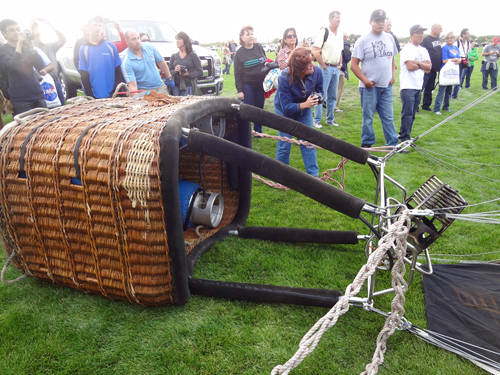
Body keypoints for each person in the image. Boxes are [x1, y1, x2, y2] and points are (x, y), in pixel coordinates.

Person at [350, 9, 399, 149]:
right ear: (370, 22)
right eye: (377, 21)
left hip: (386, 86)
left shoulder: (389, 37)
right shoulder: (363, 40)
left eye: (382, 21)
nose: (380, 23)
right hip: (369, 87)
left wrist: (393, 75)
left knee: (388, 117)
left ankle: (392, 144)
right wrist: (365, 81)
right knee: (368, 117)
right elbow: (353, 65)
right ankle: (367, 144)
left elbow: (392, 58)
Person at [274, 47, 322, 177]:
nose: (313, 64)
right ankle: (281, 176)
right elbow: (286, 107)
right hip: (284, 111)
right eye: (308, 63)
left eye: (312, 60)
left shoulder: (317, 71)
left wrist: (318, 98)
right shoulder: (284, 77)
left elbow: (320, 90)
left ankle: (314, 177)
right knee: (285, 142)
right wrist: (305, 104)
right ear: (299, 68)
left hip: (304, 111)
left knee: (308, 142)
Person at [0, 19, 47, 115]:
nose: (16, 32)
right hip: (20, 98)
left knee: (44, 126)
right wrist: (19, 44)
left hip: (37, 93)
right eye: (12, 30)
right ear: (4, 33)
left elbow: (40, 65)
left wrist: (31, 47)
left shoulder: (26, 47)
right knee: (27, 128)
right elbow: (13, 66)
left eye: (18, 29)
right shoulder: (3, 50)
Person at [398, 25, 431, 144]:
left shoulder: (423, 50)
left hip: (418, 85)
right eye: (418, 33)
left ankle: (407, 135)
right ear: (411, 35)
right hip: (408, 86)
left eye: (422, 33)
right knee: (407, 113)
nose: (421, 36)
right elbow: (410, 66)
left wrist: (417, 62)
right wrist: (421, 64)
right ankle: (403, 137)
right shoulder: (407, 49)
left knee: (412, 113)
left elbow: (429, 67)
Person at [79, 16, 123, 99]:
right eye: (94, 25)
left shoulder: (111, 47)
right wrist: (90, 95)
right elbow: (84, 75)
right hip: (94, 96)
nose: (97, 28)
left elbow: (118, 71)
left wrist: (115, 92)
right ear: (89, 27)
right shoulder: (84, 49)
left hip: (112, 95)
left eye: (99, 25)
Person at [312, 10, 343, 128]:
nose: (339, 20)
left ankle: (330, 119)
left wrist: (340, 63)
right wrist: (323, 65)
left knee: (332, 96)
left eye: (340, 18)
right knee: (320, 95)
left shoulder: (339, 33)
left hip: (336, 69)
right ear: (330, 20)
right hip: (325, 68)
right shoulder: (324, 32)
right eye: (337, 18)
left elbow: (339, 50)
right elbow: (315, 50)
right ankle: (317, 120)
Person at [234, 25, 268, 133]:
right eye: (247, 34)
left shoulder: (259, 47)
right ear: (242, 38)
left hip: (261, 84)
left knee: (259, 108)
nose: (250, 36)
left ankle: (258, 131)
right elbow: (237, 73)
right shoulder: (239, 53)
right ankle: (246, 132)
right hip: (248, 85)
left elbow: (265, 61)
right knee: (248, 110)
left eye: (252, 34)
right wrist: (240, 90)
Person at [121, 29, 173, 96]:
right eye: (133, 39)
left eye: (138, 38)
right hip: (145, 92)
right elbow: (132, 86)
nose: (137, 41)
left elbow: (161, 62)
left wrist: (169, 77)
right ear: (127, 41)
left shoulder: (149, 47)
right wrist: (137, 101)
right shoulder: (126, 62)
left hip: (161, 87)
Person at [31, 19, 67, 105]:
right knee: (49, 109)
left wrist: (52, 26)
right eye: (33, 28)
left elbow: (63, 39)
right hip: (43, 84)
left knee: (62, 106)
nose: (36, 29)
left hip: (55, 81)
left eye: (37, 27)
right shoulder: (31, 48)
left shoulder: (49, 46)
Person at [433, 32, 461, 114]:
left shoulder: (456, 48)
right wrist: (454, 59)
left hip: (453, 72)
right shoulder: (445, 48)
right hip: (445, 72)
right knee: (441, 92)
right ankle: (436, 109)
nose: (450, 39)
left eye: (451, 37)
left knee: (449, 91)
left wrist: (458, 60)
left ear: (454, 38)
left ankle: (446, 106)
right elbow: (444, 60)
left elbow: (459, 58)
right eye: (448, 38)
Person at [169, 31, 203, 96]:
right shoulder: (174, 56)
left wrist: (188, 74)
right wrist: (175, 70)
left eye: (179, 39)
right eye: (176, 39)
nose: (177, 41)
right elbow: (169, 71)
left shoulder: (192, 55)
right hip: (175, 88)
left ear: (185, 41)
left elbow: (200, 72)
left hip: (188, 87)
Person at [420, 23, 443, 111]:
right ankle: (416, 105)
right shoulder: (426, 39)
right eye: (440, 29)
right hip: (426, 69)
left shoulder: (438, 39)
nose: (441, 31)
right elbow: (421, 53)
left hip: (434, 69)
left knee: (429, 88)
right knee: (421, 87)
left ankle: (426, 105)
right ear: (434, 29)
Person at [451, 28, 471, 99]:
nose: (469, 34)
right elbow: (453, 52)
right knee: (456, 77)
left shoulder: (468, 43)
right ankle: (452, 94)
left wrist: (467, 61)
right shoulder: (457, 42)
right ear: (463, 34)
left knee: (459, 78)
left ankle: (454, 95)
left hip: (464, 61)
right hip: (458, 60)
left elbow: (467, 54)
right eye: (467, 33)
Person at [335, 32, 352, 113]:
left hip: (332, 67)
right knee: (339, 89)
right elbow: (348, 57)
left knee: (332, 88)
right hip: (341, 69)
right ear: (344, 37)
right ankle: (335, 106)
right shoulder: (345, 44)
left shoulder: (334, 42)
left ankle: (329, 104)